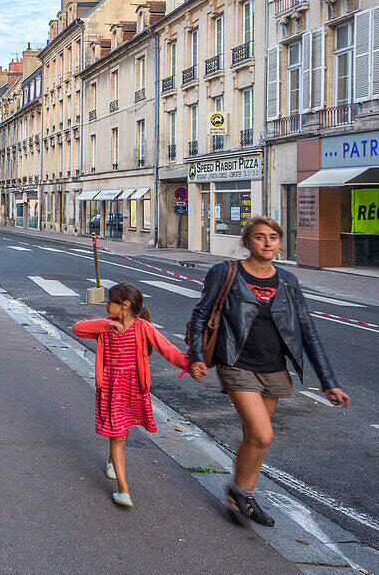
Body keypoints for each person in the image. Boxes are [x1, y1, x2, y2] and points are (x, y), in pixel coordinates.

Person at [187, 216, 350, 527]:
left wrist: (329, 382)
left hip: (275, 369)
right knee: (263, 434)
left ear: (279, 242)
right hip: (237, 363)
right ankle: (241, 493)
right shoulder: (225, 273)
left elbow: (307, 330)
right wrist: (196, 355)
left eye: (273, 237)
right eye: (259, 237)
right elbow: (201, 315)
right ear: (247, 242)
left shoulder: (288, 280)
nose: (267, 242)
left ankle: (241, 495)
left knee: (254, 437)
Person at [73, 282, 190, 509]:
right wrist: (107, 323)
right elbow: (78, 328)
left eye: (111, 302)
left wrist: (190, 364)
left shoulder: (142, 327)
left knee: (122, 431)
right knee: (117, 435)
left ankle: (111, 462)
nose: (106, 305)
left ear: (125, 305)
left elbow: (167, 349)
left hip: (133, 388)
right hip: (111, 387)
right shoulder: (105, 327)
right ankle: (123, 489)